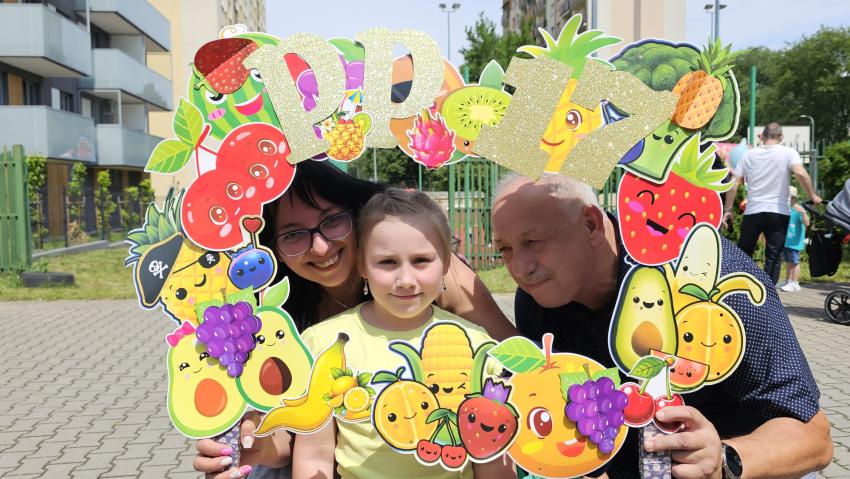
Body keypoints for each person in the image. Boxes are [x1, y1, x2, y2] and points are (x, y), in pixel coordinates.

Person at [491, 173, 832, 479]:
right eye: (505, 249)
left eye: (533, 241)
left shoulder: (707, 281)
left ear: (591, 224)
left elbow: (814, 437)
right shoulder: (538, 302)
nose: (520, 268)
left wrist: (723, 459)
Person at [193, 161, 516, 479]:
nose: (320, 246)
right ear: (272, 248)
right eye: (293, 235)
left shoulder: (474, 339)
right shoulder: (294, 328)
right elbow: (306, 441)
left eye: (331, 220)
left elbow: (505, 413)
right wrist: (251, 444)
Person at [292, 187, 515, 478]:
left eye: (421, 260)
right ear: (362, 266)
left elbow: (492, 456)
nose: (406, 280)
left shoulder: (477, 345)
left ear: (446, 263)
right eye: (388, 262)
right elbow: (314, 453)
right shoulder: (325, 343)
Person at [723, 122, 822, 285]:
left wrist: (728, 209)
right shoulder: (788, 152)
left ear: (762, 136)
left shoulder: (748, 155)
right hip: (778, 212)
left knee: (744, 252)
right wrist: (813, 195)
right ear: (781, 136)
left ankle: (738, 287)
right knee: (774, 256)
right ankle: (768, 293)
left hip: (753, 211)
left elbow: (734, 183)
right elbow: (800, 173)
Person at [780, 186, 810, 293]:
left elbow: (807, 224)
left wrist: (803, 213)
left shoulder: (799, 209)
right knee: (789, 262)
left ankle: (795, 283)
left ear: (793, 197)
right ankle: (788, 281)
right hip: (787, 241)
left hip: (795, 242)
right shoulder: (786, 209)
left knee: (795, 262)